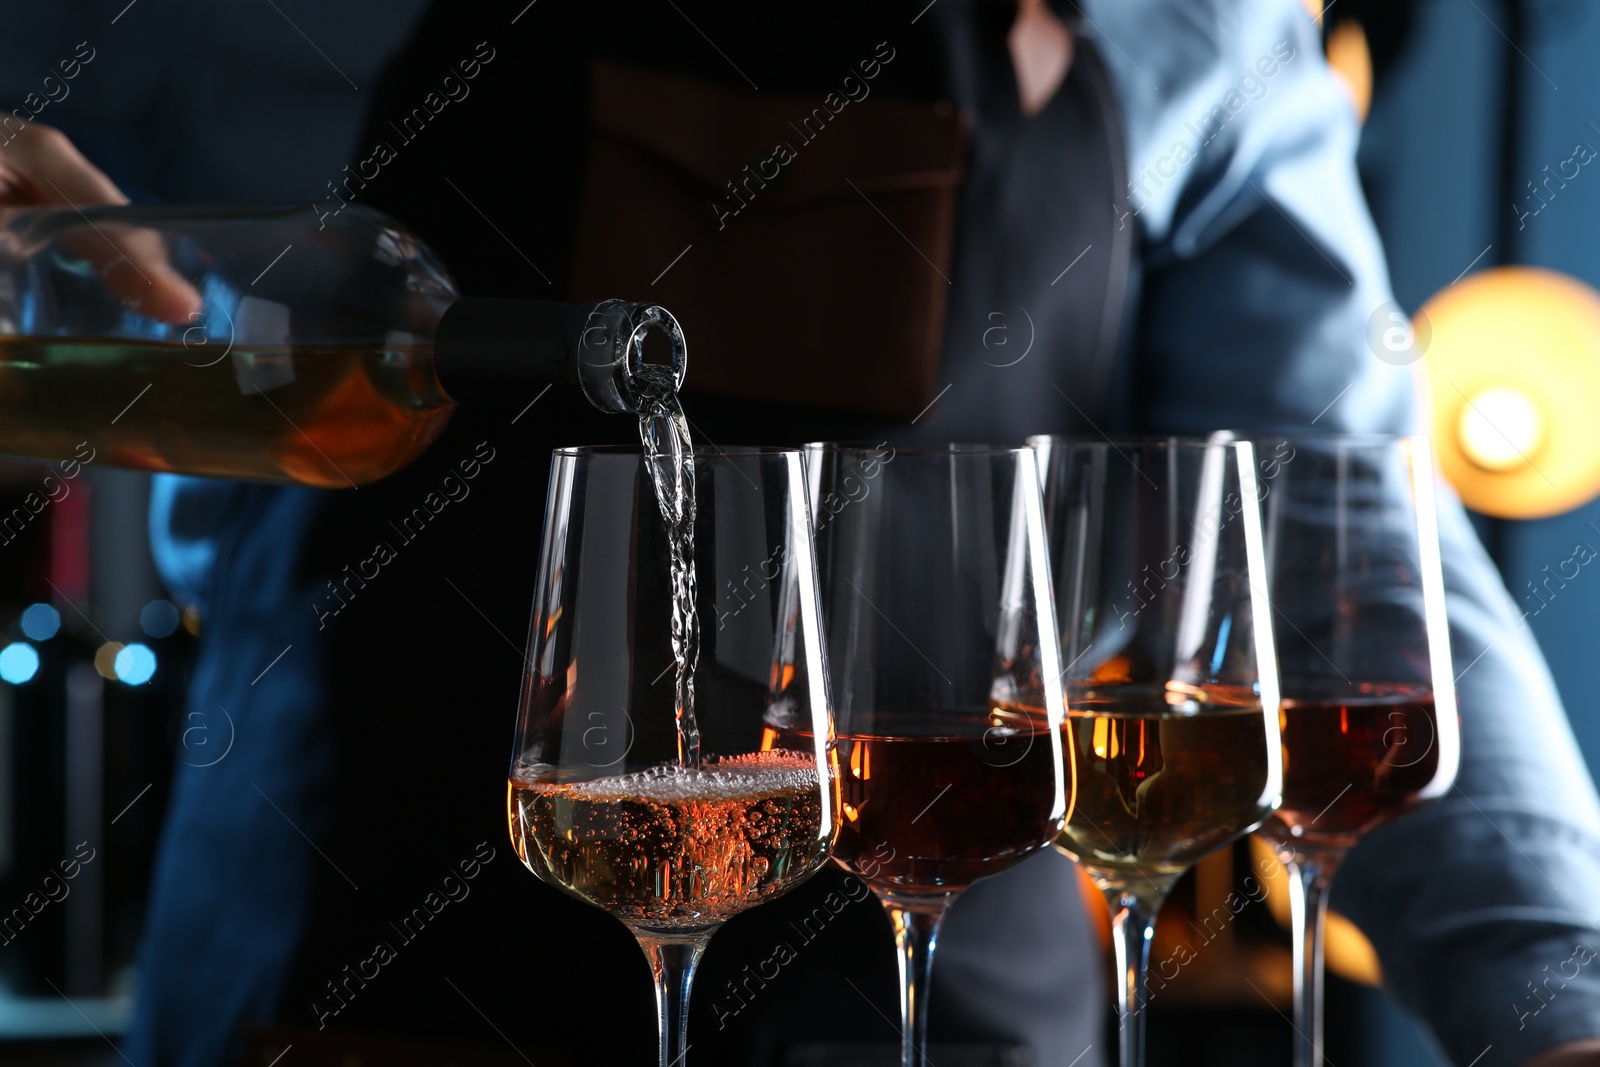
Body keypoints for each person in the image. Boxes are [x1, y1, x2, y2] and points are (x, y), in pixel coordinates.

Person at [5, 1, 1600, 1064]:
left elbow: (1341, 550)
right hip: (350, 989)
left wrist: (1553, 999)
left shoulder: (1195, 24)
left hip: (962, 1014)